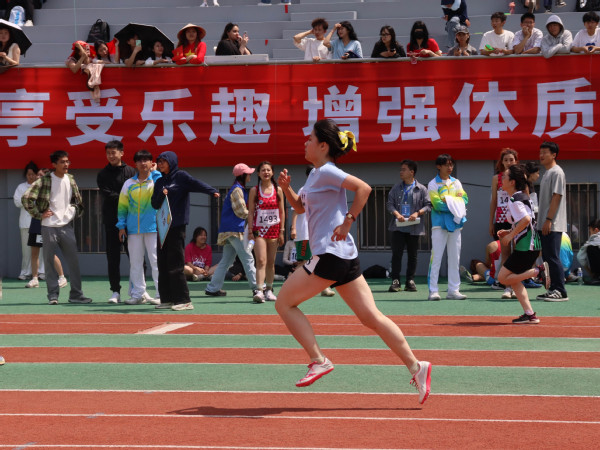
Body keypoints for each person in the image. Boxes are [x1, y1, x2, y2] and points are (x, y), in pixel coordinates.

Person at [276, 119, 431, 404]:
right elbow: (300, 207)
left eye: (310, 139)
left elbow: (364, 189)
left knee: (283, 303)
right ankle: (416, 366)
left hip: (329, 254)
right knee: (371, 317)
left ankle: (318, 360)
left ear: (323, 146)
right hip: (345, 256)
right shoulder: (315, 175)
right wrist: (287, 189)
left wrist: (348, 220)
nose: (305, 143)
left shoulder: (327, 171)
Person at [150, 151, 219, 311]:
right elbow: (154, 204)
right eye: (159, 161)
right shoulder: (159, 182)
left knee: (175, 264)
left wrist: (211, 191)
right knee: (163, 264)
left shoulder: (181, 176)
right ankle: (167, 299)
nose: (160, 164)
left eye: (163, 161)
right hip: (163, 227)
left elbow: (196, 184)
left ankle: (183, 300)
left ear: (172, 162)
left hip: (177, 226)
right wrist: (161, 194)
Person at [21, 150, 92, 305]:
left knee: (73, 262)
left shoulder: (70, 179)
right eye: (62, 162)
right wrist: (38, 214)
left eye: (67, 161)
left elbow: (78, 200)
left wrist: (73, 211)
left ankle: (76, 295)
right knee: (49, 262)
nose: (66, 164)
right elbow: (26, 197)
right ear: (54, 164)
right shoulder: (45, 180)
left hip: (66, 226)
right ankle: (53, 296)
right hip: (48, 227)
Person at [496, 164, 548, 324]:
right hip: (531, 245)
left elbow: (525, 220)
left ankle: (537, 272)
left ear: (512, 182)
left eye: (505, 176)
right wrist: (509, 230)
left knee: (503, 278)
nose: (502, 179)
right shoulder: (522, 197)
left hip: (526, 247)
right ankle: (530, 314)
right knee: (513, 280)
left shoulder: (514, 200)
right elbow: (525, 221)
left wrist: (511, 235)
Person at [205, 163, 258, 298]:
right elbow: (241, 212)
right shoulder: (237, 190)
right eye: (248, 173)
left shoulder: (236, 189)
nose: (250, 175)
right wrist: (256, 215)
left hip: (229, 230)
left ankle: (212, 288)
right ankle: (257, 288)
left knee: (226, 261)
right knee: (248, 257)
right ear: (243, 175)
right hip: (235, 230)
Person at [117, 150, 161, 305]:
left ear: (151, 163)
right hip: (133, 229)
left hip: (153, 228)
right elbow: (122, 206)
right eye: (140, 160)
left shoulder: (156, 179)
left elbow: (162, 187)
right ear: (135, 164)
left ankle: (160, 294)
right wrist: (121, 226)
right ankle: (138, 294)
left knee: (156, 261)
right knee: (135, 263)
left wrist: (155, 172)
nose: (143, 163)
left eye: (146, 160)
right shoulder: (129, 184)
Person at [97, 140, 136, 304]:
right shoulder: (102, 174)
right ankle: (115, 291)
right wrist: (126, 197)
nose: (111, 156)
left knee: (135, 257)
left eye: (114, 152)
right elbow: (108, 195)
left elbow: (137, 192)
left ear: (122, 153)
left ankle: (137, 290)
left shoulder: (132, 172)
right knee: (113, 258)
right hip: (111, 221)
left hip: (131, 222)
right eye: (108, 153)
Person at [427, 154, 468, 301]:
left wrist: (449, 200)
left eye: (451, 164)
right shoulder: (433, 184)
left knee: (455, 258)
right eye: (446, 165)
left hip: (456, 224)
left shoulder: (456, 182)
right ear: (439, 166)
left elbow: (465, 199)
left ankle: (453, 290)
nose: (450, 167)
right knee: (436, 257)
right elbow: (437, 204)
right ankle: (433, 291)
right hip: (439, 225)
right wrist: (455, 202)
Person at [386, 160, 431, 293]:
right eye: (401, 169)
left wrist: (417, 213)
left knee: (413, 255)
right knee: (396, 255)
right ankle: (395, 281)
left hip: (414, 226)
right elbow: (389, 204)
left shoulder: (421, 189)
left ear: (412, 172)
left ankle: (410, 280)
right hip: (398, 226)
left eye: (404, 169)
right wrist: (396, 214)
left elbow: (428, 205)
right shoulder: (396, 188)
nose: (401, 172)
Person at [247, 161, 285, 302]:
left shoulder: (278, 190)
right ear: (258, 173)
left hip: (274, 230)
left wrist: (282, 231)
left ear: (272, 172)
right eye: (263, 170)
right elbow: (251, 212)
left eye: (268, 170)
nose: (266, 172)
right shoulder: (254, 191)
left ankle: (269, 290)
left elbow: (282, 212)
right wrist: (250, 230)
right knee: (261, 260)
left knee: (270, 261)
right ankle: (259, 290)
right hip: (258, 231)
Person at [536, 141, 569, 301]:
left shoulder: (557, 172)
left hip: (552, 224)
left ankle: (560, 291)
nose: (541, 155)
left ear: (554, 155)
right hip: (545, 223)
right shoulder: (547, 173)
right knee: (548, 258)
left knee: (553, 257)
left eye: (545, 152)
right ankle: (553, 289)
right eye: (540, 152)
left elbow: (557, 196)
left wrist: (548, 220)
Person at [489, 148, 519, 299]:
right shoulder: (497, 178)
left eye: (511, 160)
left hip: (518, 219)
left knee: (518, 252)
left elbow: (526, 196)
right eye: (506, 160)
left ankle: (517, 285)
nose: (508, 162)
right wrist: (491, 222)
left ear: (516, 161)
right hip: (502, 219)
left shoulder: (520, 176)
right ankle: (507, 286)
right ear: (501, 162)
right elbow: (494, 201)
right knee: (506, 253)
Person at [14, 161, 38, 281]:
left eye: (33, 174)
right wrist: (28, 200)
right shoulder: (21, 187)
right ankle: (25, 272)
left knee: (39, 249)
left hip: (38, 222)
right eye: (29, 174)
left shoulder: (40, 186)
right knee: (26, 249)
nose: (31, 176)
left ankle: (40, 272)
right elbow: (17, 202)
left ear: (36, 174)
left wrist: (27, 200)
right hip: (25, 222)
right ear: (26, 175)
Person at [577, 218, 600, 284]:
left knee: (591, 248)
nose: (590, 234)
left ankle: (597, 276)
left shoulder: (595, 239)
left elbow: (580, 257)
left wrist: (590, 273)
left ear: (596, 230)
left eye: (590, 232)